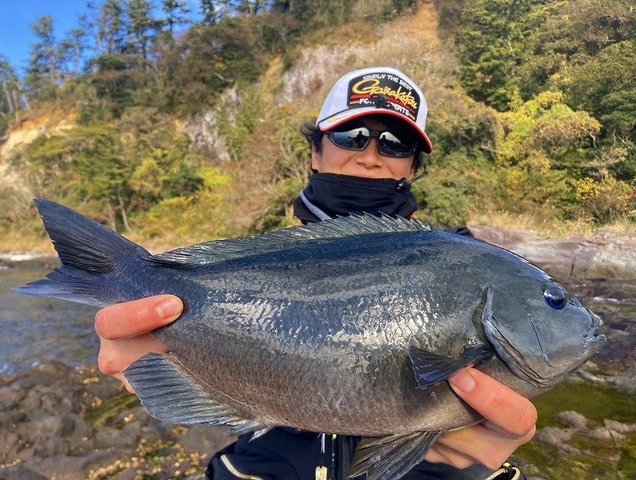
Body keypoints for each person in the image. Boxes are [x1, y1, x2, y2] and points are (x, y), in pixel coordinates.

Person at [94, 67, 536, 480]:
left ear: (413, 167)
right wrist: (158, 345)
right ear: (315, 153)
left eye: (396, 144)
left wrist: (475, 462)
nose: (370, 156)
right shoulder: (250, 266)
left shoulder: (469, 266)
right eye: (352, 136)